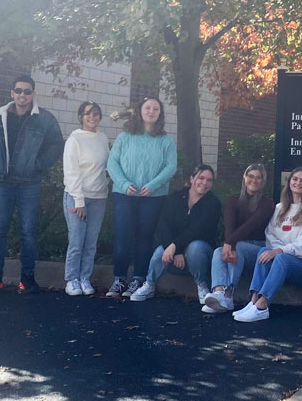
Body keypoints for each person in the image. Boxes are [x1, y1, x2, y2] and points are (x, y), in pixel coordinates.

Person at [0, 74, 64, 295]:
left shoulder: (44, 119)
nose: (22, 95)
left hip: (29, 183)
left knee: (28, 232)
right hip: (3, 182)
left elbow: (56, 144)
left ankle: (27, 279)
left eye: (27, 91)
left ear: (33, 94)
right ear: (12, 93)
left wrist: (39, 165)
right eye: (18, 90)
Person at [105, 97, 178, 297]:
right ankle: (119, 279)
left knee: (145, 238)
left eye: (156, 109)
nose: (151, 111)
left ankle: (138, 279)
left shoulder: (166, 141)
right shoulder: (125, 136)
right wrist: (124, 183)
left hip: (153, 197)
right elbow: (112, 163)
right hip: (124, 194)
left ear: (160, 114)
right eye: (148, 108)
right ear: (140, 111)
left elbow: (170, 167)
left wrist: (153, 186)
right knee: (122, 237)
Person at [233, 167, 302, 322]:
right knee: (264, 251)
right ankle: (253, 302)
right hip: (282, 261)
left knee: (280, 258)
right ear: (289, 182)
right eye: (295, 179)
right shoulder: (279, 208)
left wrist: (280, 250)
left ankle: (262, 306)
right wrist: (277, 249)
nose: (298, 182)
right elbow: (270, 235)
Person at [137, 164, 221, 302]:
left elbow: (198, 230)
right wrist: (175, 250)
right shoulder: (174, 198)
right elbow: (164, 226)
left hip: (199, 256)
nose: (204, 183)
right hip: (174, 257)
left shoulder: (213, 203)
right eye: (201, 178)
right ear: (192, 179)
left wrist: (176, 246)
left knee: (195, 247)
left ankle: (202, 286)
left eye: (209, 180)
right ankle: (149, 285)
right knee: (160, 252)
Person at [204, 164, 275, 313]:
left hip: (258, 249)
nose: (254, 180)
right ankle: (220, 294)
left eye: (258, 177)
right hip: (237, 246)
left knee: (240, 247)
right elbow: (229, 226)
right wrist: (228, 244)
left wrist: (230, 243)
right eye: (251, 176)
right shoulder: (232, 200)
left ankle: (228, 293)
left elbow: (250, 225)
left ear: (263, 181)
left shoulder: (267, 204)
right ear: (244, 178)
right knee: (218, 252)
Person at [62, 101, 110, 297]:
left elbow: (106, 167)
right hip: (77, 197)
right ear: (81, 116)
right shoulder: (74, 139)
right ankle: (71, 279)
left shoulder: (103, 138)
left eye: (96, 113)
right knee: (76, 240)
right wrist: (79, 201)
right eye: (88, 113)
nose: (92, 117)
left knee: (91, 242)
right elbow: (71, 172)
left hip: (99, 197)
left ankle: (84, 277)